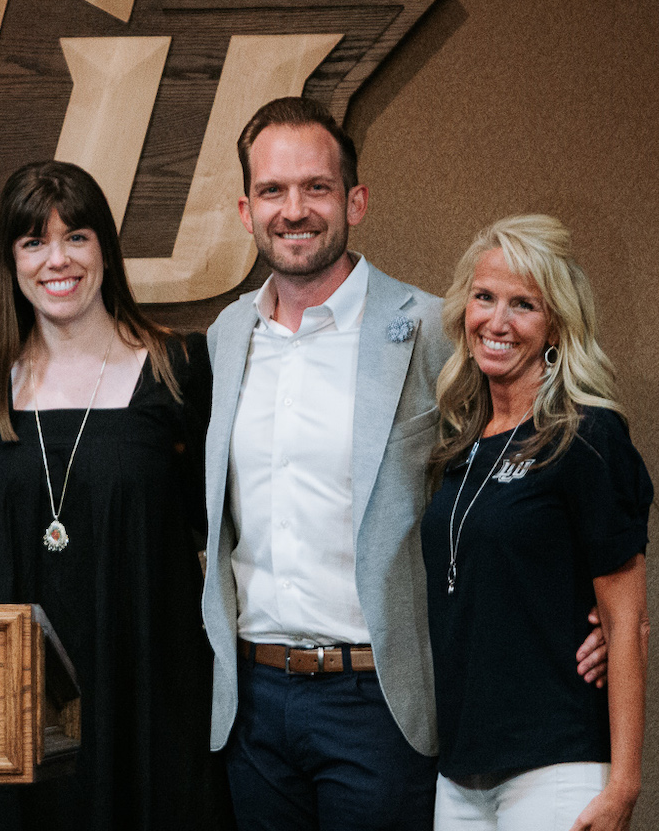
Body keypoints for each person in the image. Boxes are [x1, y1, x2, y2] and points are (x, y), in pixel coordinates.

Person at [200, 98, 613, 831]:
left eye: (316, 188)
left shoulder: (431, 328)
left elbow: (534, 461)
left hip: (379, 701)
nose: (294, 210)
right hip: (254, 706)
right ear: (245, 209)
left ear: (355, 200)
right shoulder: (228, 334)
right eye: (273, 191)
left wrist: (595, 609)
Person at [0, 161, 229, 831]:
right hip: (16, 696)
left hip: (149, 686)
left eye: (76, 237)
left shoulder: (179, 369)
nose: (59, 260)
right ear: (11, 261)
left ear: (105, 247)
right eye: (34, 242)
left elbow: (219, 524)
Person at [421, 215, 649, 830]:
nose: (496, 322)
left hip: (555, 766)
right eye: (484, 297)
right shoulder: (459, 446)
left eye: (523, 304)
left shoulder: (587, 436)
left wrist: (622, 787)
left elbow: (626, 623)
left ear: (555, 324)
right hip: (462, 774)